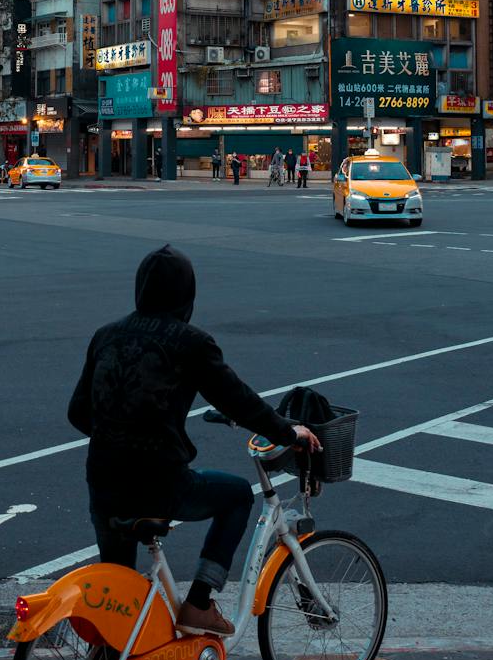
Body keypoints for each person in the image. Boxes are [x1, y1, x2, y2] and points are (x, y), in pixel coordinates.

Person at [68, 246, 320, 637]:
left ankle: (104, 657)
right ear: (187, 295)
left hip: (103, 482)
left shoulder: (106, 335)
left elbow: (77, 413)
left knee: (114, 594)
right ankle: (200, 603)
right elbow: (239, 401)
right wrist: (290, 433)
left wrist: (118, 433)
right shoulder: (191, 343)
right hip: (158, 482)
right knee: (237, 495)